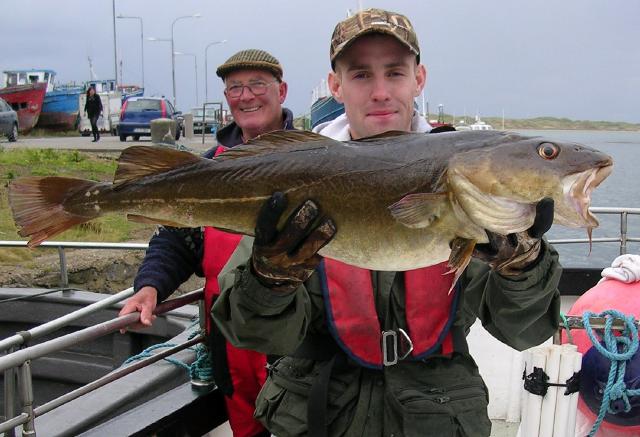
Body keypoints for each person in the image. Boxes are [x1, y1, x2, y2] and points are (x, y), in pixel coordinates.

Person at [211, 9, 562, 437]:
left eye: (395, 73)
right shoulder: (298, 172)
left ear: (419, 79)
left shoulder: (474, 175)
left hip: (439, 415)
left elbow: (521, 330)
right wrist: (269, 277)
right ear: (336, 85)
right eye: (361, 75)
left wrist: (523, 267)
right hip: (317, 412)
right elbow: (250, 331)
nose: (380, 92)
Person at [118, 49, 293, 437]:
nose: (246, 96)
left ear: (281, 90)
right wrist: (150, 287)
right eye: (234, 88)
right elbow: (176, 238)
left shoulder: (314, 157)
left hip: (295, 342)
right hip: (230, 347)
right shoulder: (207, 166)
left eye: (257, 85)